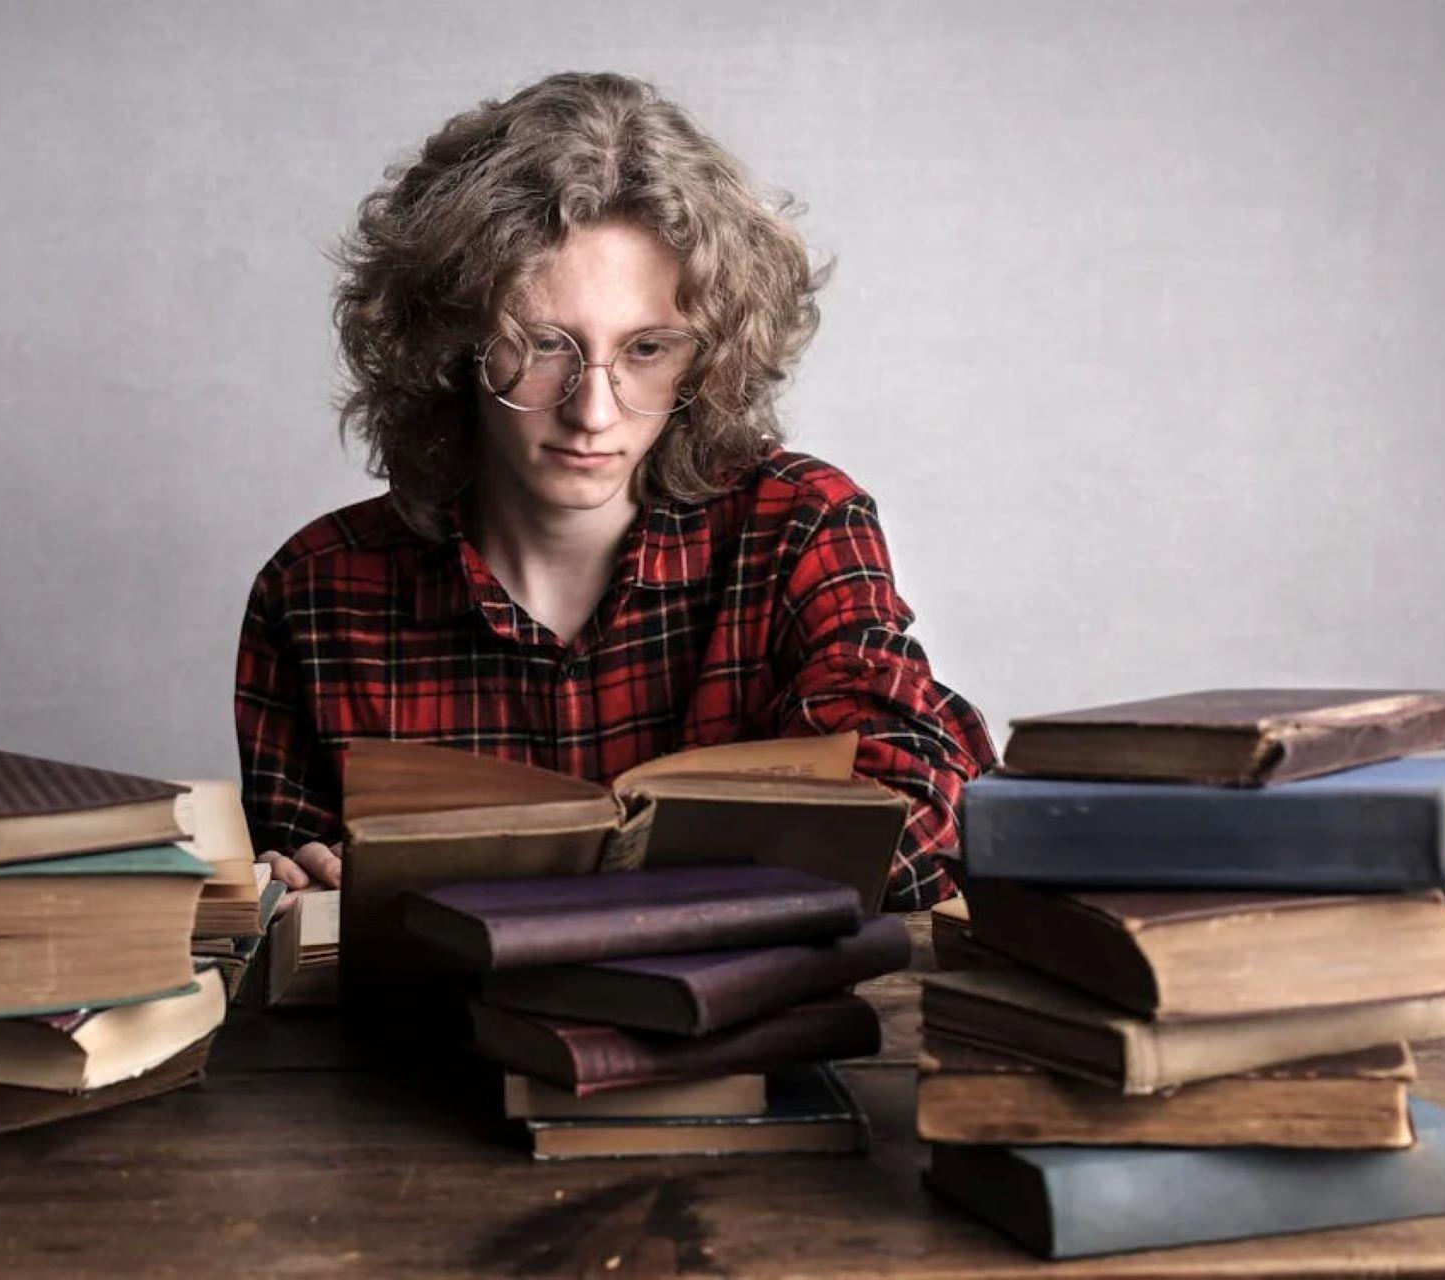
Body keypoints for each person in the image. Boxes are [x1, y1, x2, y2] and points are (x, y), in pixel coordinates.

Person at [236, 71, 995, 911]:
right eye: (543, 345)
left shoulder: (798, 527)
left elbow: (922, 820)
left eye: (646, 350)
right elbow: (298, 910)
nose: (593, 411)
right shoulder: (313, 593)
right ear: (453, 345)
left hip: (748, 1034)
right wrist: (297, 891)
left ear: (706, 358)